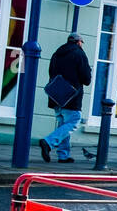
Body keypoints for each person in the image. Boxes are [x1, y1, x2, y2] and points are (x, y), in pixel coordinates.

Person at [39, 33, 91, 164]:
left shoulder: (57, 53)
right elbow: (86, 79)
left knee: (63, 124)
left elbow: (50, 73)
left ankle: (63, 155)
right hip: (72, 96)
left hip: (56, 95)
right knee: (74, 120)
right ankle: (48, 142)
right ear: (79, 42)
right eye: (81, 42)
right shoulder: (79, 54)